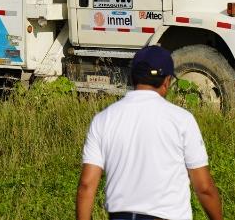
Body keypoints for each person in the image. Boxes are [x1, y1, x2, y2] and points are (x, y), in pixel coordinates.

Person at [77, 45, 223, 220]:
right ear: (167, 81)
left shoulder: (103, 119)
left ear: (132, 78)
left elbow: (87, 185)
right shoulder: (181, 120)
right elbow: (204, 188)